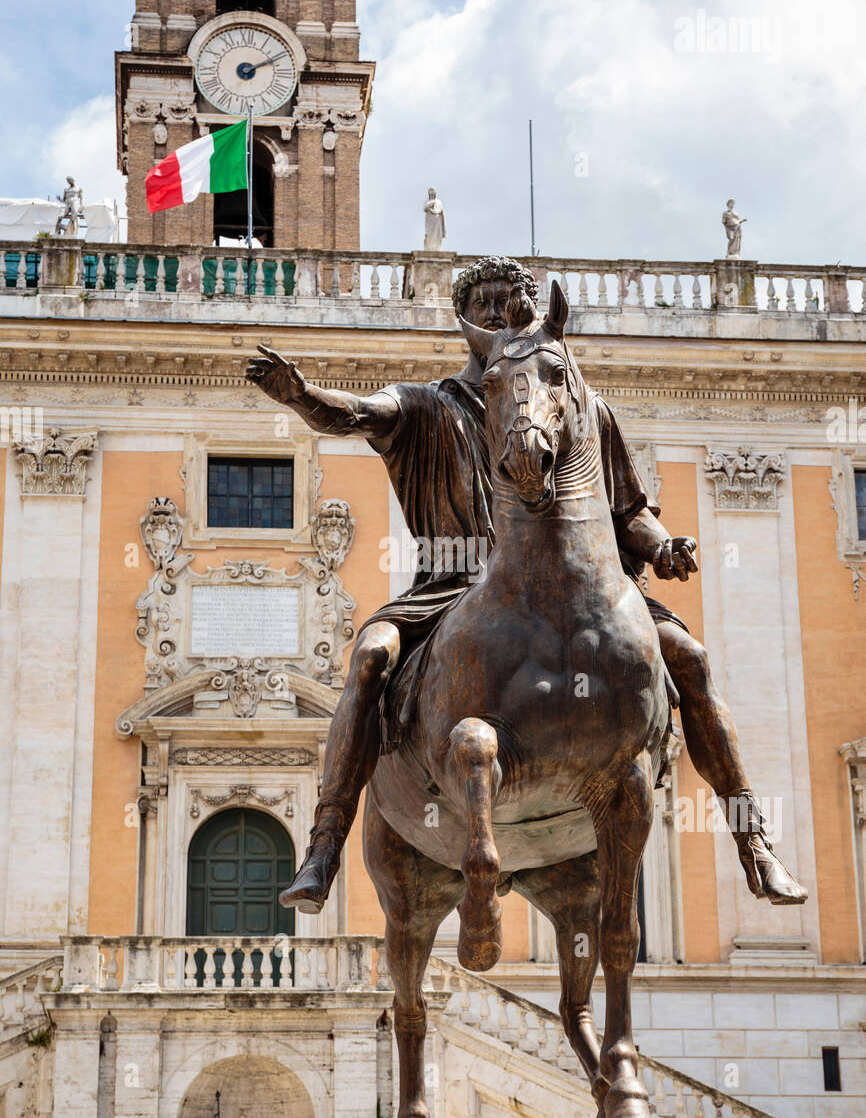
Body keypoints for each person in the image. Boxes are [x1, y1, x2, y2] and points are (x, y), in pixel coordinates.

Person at [245, 256, 804, 912]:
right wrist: (303, 398)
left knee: (691, 659)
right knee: (370, 658)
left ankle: (753, 842)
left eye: (518, 310)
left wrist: (665, 546)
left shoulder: (578, 405)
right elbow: (356, 414)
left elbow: (629, 511)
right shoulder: (430, 406)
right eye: (492, 311)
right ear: (469, 330)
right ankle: (325, 842)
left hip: (580, 595)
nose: (507, 321)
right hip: (450, 589)